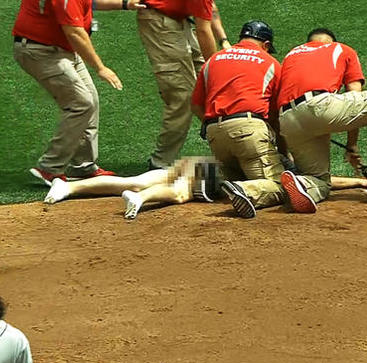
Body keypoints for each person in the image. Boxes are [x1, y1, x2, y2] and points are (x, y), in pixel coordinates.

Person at [277, 27, 367, 213]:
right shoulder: (341, 49)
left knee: (319, 180)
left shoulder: (291, 55)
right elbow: (354, 94)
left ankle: (303, 185)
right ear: (330, 41)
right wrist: (352, 145)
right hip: (319, 106)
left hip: (287, 120)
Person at [12, 0, 145, 186]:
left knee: (91, 101)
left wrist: (124, 4)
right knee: (81, 103)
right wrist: (100, 68)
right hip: (41, 51)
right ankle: (49, 167)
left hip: (62, 49)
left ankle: (83, 167)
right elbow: (74, 32)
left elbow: (90, 1)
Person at [192, 20, 301, 219]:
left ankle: (212, 179)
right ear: (266, 45)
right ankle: (246, 191)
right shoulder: (270, 63)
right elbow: (277, 116)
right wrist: (285, 154)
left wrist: (209, 125)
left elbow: (196, 105)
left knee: (241, 174)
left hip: (215, 134)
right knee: (282, 186)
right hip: (248, 131)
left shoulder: (213, 60)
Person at [136, 0, 217, 170]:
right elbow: (203, 30)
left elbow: (212, 11)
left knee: (208, 84)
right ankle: (160, 163)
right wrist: (219, 70)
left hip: (179, 20)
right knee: (183, 95)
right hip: (160, 20)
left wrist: (223, 40)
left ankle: (224, 141)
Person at [44, 156, 222, 219]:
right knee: (178, 193)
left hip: (202, 162)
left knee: (136, 182)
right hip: (208, 169)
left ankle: (67, 187)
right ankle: (139, 198)